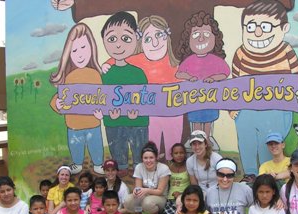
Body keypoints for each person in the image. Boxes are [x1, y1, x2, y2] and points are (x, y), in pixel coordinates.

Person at [231, 0, 298, 182]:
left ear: (284, 28)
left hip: (277, 109)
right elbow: (233, 87)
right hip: (247, 109)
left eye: (265, 26)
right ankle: (250, 173)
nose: (257, 33)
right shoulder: (240, 54)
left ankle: (267, 176)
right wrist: (231, 107)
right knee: (247, 139)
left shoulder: (286, 51)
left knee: (269, 142)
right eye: (250, 27)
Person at [102, 15, 183, 160]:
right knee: (151, 147)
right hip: (150, 114)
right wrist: (106, 65)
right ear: (141, 42)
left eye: (159, 35)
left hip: (173, 114)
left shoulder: (176, 65)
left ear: (167, 36)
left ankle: (172, 165)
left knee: (174, 145)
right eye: (148, 38)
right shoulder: (137, 60)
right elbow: (118, 59)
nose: (155, 42)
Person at [96, 11, 148, 176]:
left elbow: (147, 98)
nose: (118, 45)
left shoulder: (138, 73)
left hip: (138, 122)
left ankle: (139, 169)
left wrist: (138, 112)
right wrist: (105, 113)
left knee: (139, 154)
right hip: (113, 121)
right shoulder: (104, 73)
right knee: (118, 153)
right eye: (112, 39)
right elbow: (98, 98)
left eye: (125, 39)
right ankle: (122, 169)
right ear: (103, 39)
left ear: (135, 39)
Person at [49, 23, 105, 175]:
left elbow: (103, 97)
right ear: (68, 53)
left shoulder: (95, 74)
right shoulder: (68, 76)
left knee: (95, 143)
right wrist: (58, 105)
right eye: (74, 50)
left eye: (83, 48)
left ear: (92, 48)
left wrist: (102, 113)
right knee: (76, 145)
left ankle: (98, 163)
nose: (80, 54)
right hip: (73, 123)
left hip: (93, 122)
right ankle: (77, 163)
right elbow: (56, 98)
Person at [176, 11, 230, 150]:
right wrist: (189, 77)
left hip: (210, 99)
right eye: (195, 35)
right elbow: (179, 74)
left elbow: (225, 73)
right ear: (188, 39)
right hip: (193, 99)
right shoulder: (189, 60)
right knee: (196, 120)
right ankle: (196, 139)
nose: (200, 39)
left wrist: (213, 78)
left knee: (208, 120)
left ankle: (206, 140)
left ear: (215, 38)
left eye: (206, 34)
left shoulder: (216, 60)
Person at [124, 141, 171, 214]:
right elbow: (138, 187)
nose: (148, 161)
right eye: (145, 158)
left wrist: (145, 190)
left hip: (160, 198)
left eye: (151, 158)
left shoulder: (163, 168)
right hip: (145, 196)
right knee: (128, 201)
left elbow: (160, 191)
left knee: (147, 202)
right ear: (142, 158)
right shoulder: (139, 167)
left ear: (156, 158)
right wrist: (136, 191)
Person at [160, 143, 190, 214]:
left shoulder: (188, 166)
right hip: (170, 200)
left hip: (183, 200)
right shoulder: (168, 166)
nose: (179, 155)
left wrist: (182, 194)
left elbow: (193, 185)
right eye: (176, 153)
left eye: (181, 153)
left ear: (185, 154)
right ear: (172, 155)